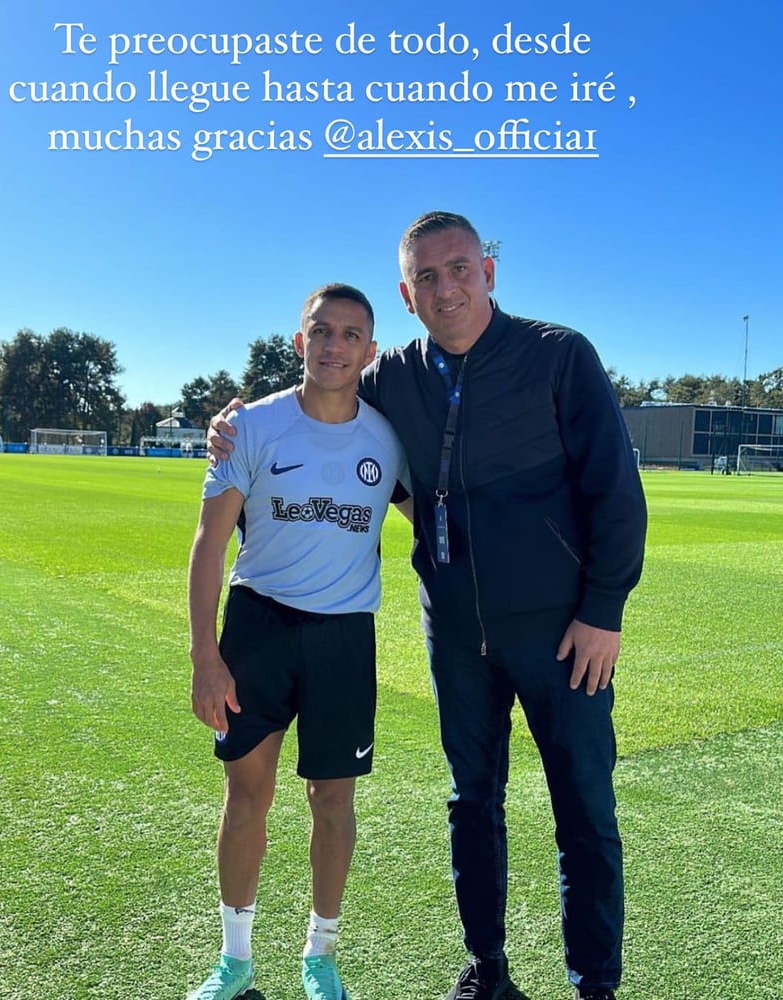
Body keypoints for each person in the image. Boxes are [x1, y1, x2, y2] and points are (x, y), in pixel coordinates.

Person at [208, 213, 647, 1000]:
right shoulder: (391, 377)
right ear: (408, 296)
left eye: (460, 269)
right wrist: (232, 423)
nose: (447, 289)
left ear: (489, 272)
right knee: (472, 803)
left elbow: (615, 488)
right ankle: (488, 971)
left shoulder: (559, 355)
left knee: (584, 808)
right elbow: (321, 393)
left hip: (562, 633)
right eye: (427, 278)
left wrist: (603, 609)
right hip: (456, 634)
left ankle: (596, 987)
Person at [188, 282, 409, 1000]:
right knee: (246, 794)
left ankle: (321, 955)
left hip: (344, 637)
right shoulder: (249, 427)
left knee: (333, 801)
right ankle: (235, 962)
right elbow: (210, 544)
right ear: (299, 340)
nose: (334, 346)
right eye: (321, 331)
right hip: (259, 629)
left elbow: (442, 521)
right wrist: (204, 655)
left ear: (369, 351)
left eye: (350, 335)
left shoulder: (388, 440)